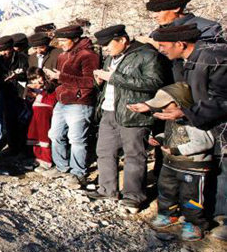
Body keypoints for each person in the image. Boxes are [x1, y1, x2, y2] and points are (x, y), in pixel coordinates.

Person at [143, 24, 227, 240]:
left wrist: (186, 113)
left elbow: (221, 99)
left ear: (180, 44)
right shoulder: (184, 62)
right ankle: (170, 214)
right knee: (169, 188)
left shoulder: (211, 59)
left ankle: (199, 221)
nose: (160, 49)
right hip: (186, 134)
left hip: (208, 133)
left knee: (197, 192)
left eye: (163, 45)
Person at [90, 25, 168, 210]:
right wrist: (99, 81)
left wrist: (114, 77)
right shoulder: (111, 56)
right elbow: (110, 84)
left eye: (108, 44)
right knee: (104, 151)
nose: (105, 49)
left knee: (134, 154)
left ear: (123, 40)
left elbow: (154, 82)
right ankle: (107, 189)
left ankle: (134, 196)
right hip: (109, 110)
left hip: (133, 112)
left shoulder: (147, 55)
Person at [135, 84, 215, 241]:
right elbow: (170, 134)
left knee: (191, 196)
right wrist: (159, 138)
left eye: (166, 106)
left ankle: (194, 223)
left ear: (179, 103)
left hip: (192, 166)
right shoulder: (171, 118)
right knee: (166, 190)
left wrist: (178, 150)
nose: (163, 110)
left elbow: (205, 142)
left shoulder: (194, 121)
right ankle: (167, 213)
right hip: (171, 163)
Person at [44, 25, 100, 185]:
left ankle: (78, 173)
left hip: (80, 102)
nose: (60, 43)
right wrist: (53, 80)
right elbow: (63, 78)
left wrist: (62, 77)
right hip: (62, 101)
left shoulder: (88, 55)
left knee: (77, 139)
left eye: (63, 40)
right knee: (55, 134)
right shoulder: (63, 56)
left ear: (75, 39)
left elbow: (91, 81)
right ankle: (61, 167)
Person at [146, 0, 223, 44]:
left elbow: (210, 56)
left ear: (176, 8)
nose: (154, 16)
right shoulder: (158, 32)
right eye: (153, 12)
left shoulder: (206, 27)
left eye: (159, 11)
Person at [25, 68, 56, 170]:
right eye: (33, 79)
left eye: (38, 77)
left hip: (45, 115)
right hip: (36, 115)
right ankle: (38, 158)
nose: (36, 81)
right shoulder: (34, 88)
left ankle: (46, 161)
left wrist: (38, 95)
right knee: (35, 137)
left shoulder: (50, 86)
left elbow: (51, 101)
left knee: (44, 137)